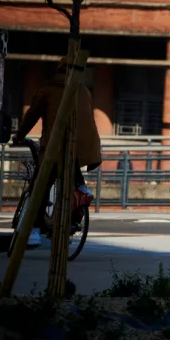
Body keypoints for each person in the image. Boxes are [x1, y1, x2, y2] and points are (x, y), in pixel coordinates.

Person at [14, 55, 102, 248]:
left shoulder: (49, 89)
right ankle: (79, 188)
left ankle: (34, 231)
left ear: (59, 70)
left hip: (57, 147)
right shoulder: (83, 90)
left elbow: (32, 115)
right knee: (70, 167)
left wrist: (19, 135)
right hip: (86, 148)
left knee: (41, 186)